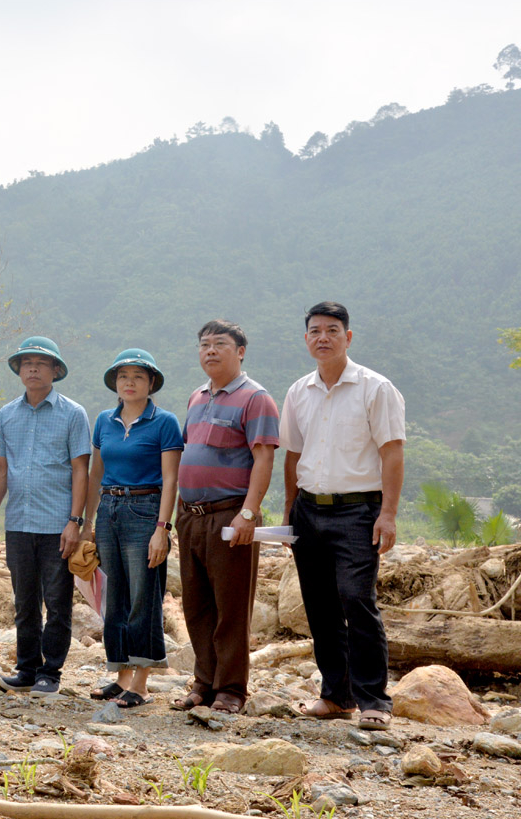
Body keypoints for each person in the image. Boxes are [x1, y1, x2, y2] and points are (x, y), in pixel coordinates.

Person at [281, 302, 404, 731]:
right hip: (308, 510)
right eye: (315, 331)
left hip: (358, 511)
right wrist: (287, 510)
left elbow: (392, 452)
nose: (323, 338)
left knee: (357, 598)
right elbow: (293, 453)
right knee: (319, 605)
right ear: (306, 339)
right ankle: (337, 696)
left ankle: (374, 700)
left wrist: (387, 514)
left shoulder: (375, 388)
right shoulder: (299, 390)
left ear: (348, 337)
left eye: (332, 330)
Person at [173, 320, 279, 714]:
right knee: (197, 605)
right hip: (191, 516)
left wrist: (248, 513)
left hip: (229, 515)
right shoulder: (197, 397)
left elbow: (264, 457)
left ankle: (232, 688)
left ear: (241, 351)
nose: (211, 351)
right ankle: (204, 682)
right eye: (204, 344)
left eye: (220, 344)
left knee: (231, 606)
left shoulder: (256, 398)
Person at [0, 335, 91, 695]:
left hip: (57, 524)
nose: (32, 368)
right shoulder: (7, 414)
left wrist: (75, 521)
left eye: (41, 363)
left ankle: (52, 671)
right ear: (18, 370)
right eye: (26, 363)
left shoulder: (73, 414)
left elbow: (81, 470)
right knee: (24, 601)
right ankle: (27, 669)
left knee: (58, 602)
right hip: (18, 523)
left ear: (55, 371)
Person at [83, 349, 182, 708]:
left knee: (144, 594)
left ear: (151, 383)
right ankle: (121, 674)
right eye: (123, 376)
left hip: (145, 509)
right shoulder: (104, 421)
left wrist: (162, 528)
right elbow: (96, 474)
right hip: (108, 509)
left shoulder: (164, 422)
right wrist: (86, 523)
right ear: (114, 383)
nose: (129, 382)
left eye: (138, 376)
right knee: (115, 596)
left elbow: (171, 479)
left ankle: (140, 683)